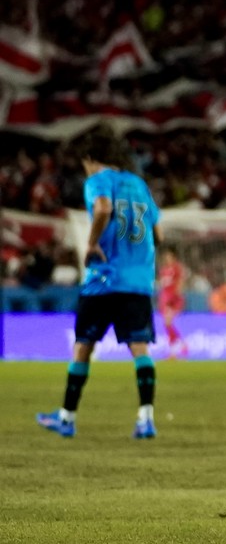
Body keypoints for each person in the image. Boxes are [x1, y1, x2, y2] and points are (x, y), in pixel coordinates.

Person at [36, 128, 162, 440]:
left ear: (91, 159)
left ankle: (67, 418)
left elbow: (103, 208)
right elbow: (158, 234)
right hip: (138, 281)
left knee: (83, 346)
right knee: (140, 348)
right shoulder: (139, 184)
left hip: (104, 279)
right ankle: (146, 419)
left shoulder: (97, 181)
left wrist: (92, 243)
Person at [157, 246, 187, 359]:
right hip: (165, 299)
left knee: (168, 323)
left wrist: (176, 296)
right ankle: (181, 345)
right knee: (167, 324)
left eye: (168, 256)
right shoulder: (163, 270)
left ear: (173, 256)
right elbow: (162, 285)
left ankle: (174, 350)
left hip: (173, 298)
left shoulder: (176, 268)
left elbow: (180, 282)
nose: (166, 258)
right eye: (165, 256)